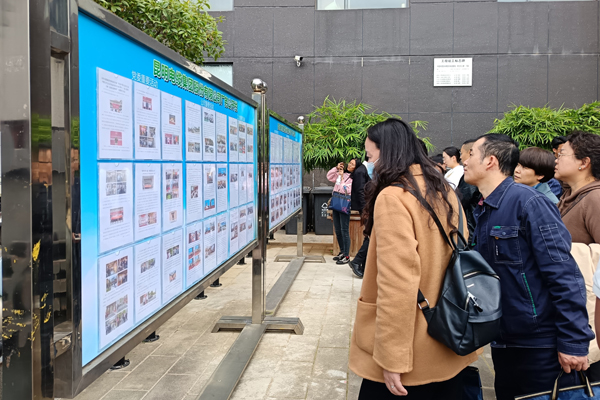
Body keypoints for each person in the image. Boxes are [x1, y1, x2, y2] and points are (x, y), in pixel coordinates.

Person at [349, 118, 477, 400]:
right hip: (448, 333)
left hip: (412, 349)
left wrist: (392, 356)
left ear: (387, 153)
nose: (369, 163)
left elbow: (397, 282)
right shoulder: (443, 189)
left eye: (370, 156)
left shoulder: (394, 197)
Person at [463, 133, 593, 400]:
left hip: (540, 345)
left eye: (472, 154)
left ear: (490, 161)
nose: (465, 161)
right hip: (504, 340)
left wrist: (573, 341)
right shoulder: (485, 207)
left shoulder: (529, 202)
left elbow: (563, 273)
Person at [555, 131, 600, 244]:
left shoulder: (595, 198)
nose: (556, 160)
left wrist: (566, 249)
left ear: (584, 162)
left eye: (561, 155)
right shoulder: (568, 195)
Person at [349, 157, 371, 278]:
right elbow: (360, 191)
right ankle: (357, 261)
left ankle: (363, 264)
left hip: (367, 207)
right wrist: (365, 210)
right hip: (366, 209)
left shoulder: (364, 170)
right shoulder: (361, 171)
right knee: (371, 235)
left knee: (369, 235)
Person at [327, 161, 353, 264]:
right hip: (336, 202)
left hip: (344, 204)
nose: (349, 165)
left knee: (344, 230)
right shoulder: (343, 174)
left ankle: (346, 255)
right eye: (349, 163)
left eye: (352, 164)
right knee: (337, 229)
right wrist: (336, 168)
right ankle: (342, 252)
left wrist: (342, 178)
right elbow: (329, 177)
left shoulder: (353, 178)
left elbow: (345, 190)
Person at [456, 139, 480, 244]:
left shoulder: (472, 175)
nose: (460, 157)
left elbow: (460, 201)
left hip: (471, 230)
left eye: (461, 153)